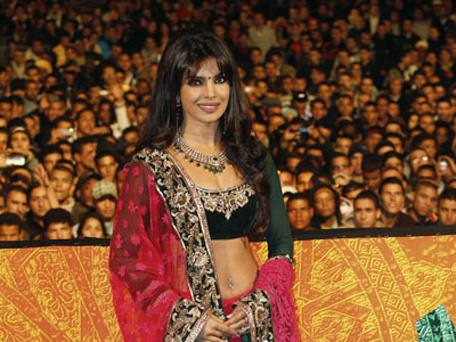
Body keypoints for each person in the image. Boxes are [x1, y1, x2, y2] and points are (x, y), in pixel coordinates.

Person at [109, 31, 298, 342]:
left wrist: (262, 301)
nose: (211, 93)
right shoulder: (151, 167)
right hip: (198, 329)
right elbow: (126, 260)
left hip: (255, 322)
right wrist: (186, 319)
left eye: (219, 79)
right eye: (196, 82)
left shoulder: (252, 155)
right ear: (174, 90)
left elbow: (281, 241)